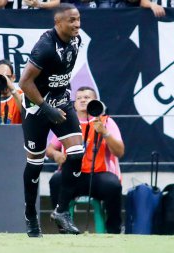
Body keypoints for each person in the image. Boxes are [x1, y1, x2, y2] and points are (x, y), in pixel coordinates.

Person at [18, 3, 83, 237]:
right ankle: (29, 215)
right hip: (36, 108)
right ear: (58, 23)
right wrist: (46, 107)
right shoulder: (45, 47)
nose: (77, 24)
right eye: (72, 21)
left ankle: (62, 211)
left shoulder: (76, 40)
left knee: (76, 154)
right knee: (35, 165)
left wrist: (61, 97)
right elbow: (24, 83)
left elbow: (61, 75)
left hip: (61, 102)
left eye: (78, 19)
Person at [47, 86, 124, 234]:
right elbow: (50, 149)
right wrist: (56, 155)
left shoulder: (107, 122)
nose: (83, 100)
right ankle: (63, 227)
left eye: (87, 97)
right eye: (79, 98)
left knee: (113, 186)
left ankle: (114, 231)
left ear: (95, 102)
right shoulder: (66, 122)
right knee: (56, 181)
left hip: (99, 175)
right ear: (74, 104)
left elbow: (119, 152)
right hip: (73, 175)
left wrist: (105, 133)